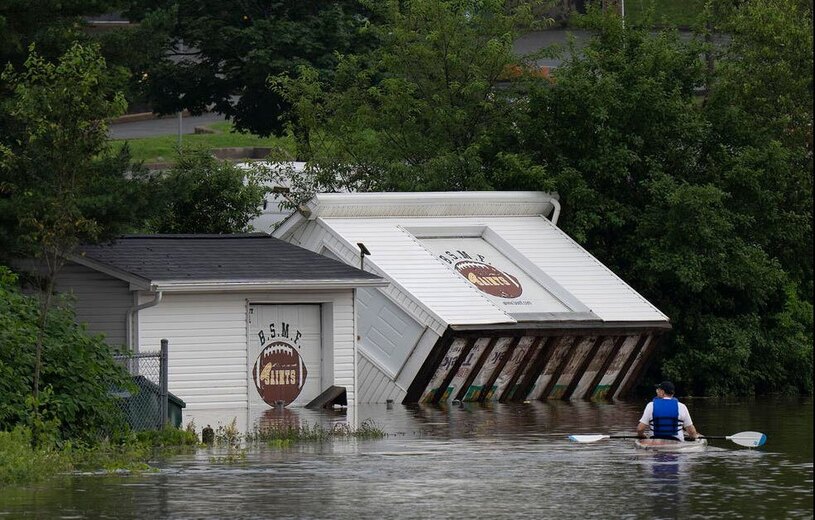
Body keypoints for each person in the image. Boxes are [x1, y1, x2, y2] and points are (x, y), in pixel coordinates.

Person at [637, 381, 701, 441]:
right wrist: (693, 437)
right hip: (677, 442)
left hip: (655, 441)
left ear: (662, 392)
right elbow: (691, 431)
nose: (657, 392)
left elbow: (640, 429)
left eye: (658, 390)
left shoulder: (651, 405)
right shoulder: (682, 406)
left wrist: (642, 435)